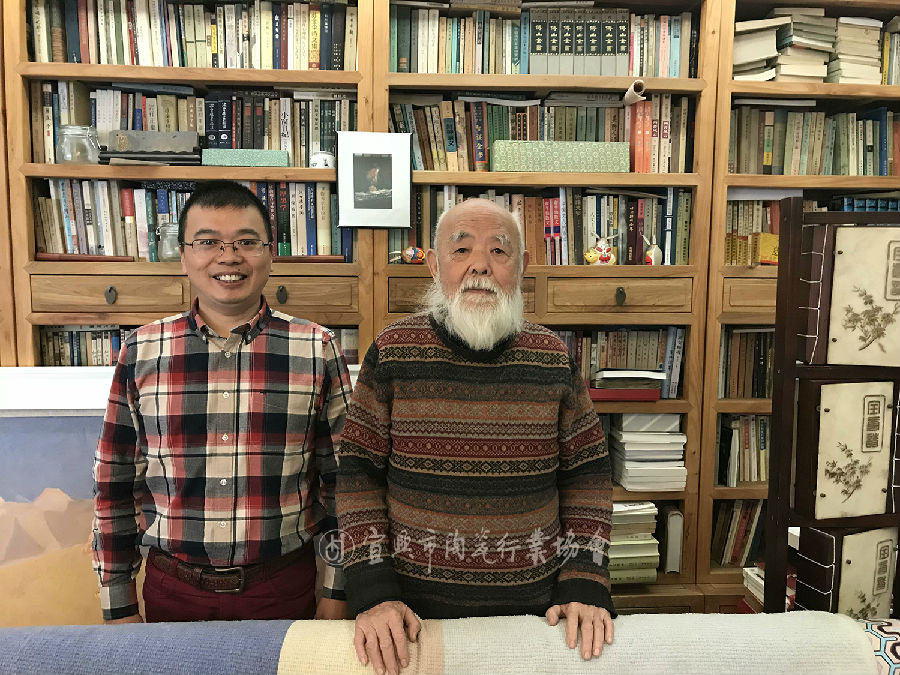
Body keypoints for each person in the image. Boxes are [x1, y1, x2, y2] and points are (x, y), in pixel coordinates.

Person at [335, 199, 615, 675]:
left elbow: (587, 477)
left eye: (499, 251)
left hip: (538, 620)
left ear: (522, 266)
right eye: (461, 250)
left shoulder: (553, 357)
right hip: (410, 622)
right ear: (434, 264)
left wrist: (584, 580)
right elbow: (358, 477)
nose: (480, 265)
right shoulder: (394, 351)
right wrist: (374, 593)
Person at [92, 180, 352, 623]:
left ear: (270, 253)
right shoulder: (141, 351)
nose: (228, 257)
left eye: (246, 242)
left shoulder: (316, 348)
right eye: (208, 242)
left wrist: (337, 589)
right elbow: (114, 485)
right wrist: (119, 604)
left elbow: (344, 484)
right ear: (183, 256)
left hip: (283, 587)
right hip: (173, 590)